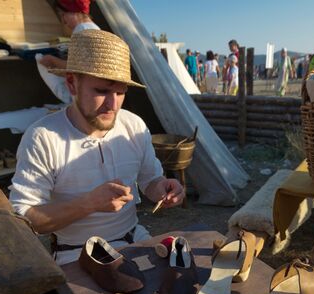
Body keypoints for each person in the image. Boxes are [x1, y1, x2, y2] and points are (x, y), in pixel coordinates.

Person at [10, 30, 184, 265]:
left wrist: (164, 189)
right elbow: (27, 219)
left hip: (134, 238)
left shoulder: (134, 126)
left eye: (120, 92)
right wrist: (88, 203)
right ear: (72, 83)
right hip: (75, 253)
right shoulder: (43, 137)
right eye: (101, 91)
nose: (113, 104)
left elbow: (150, 181)